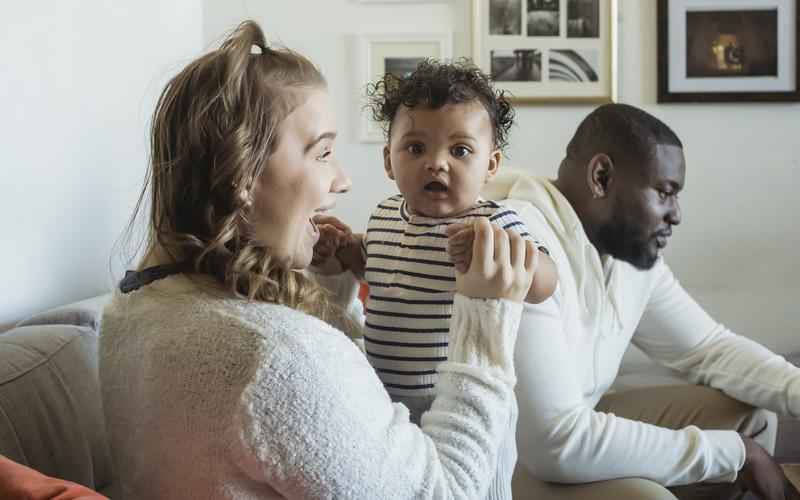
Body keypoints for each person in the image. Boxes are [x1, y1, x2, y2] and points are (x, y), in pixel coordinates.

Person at [99, 21, 539, 499]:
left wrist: (334, 281)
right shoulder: (275, 359)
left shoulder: (131, 309)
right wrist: (486, 319)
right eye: (323, 152)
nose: (343, 180)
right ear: (241, 175)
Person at [477, 103, 800, 500]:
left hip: (571, 428)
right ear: (602, 177)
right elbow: (554, 443)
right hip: (505, 461)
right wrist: (739, 454)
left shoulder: (625, 252)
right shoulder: (521, 243)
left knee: (753, 416)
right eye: (665, 193)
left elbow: (708, 349)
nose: (676, 215)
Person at [312, 60, 558, 500]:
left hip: (463, 403)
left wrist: (496, 251)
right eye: (416, 148)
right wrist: (348, 253)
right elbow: (382, 273)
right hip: (387, 400)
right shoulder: (386, 214)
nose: (436, 164)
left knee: (480, 489)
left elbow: (545, 280)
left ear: (490, 166)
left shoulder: (494, 220)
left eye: (460, 150)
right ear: (388, 161)